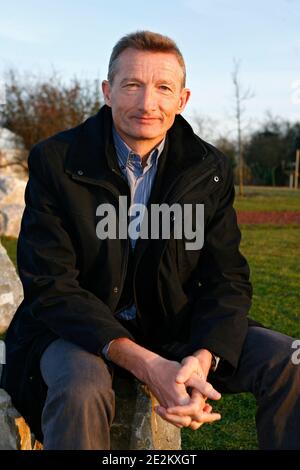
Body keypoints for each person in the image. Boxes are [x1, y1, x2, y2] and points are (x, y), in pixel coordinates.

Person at [0, 30, 299, 450]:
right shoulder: (57, 161)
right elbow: (51, 284)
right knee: (82, 388)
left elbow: (226, 278)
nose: (147, 104)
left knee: (292, 360)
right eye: (132, 86)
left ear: (183, 98)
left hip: (172, 326)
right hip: (74, 332)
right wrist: (146, 364)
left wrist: (202, 357)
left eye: (163, 88)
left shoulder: (208, 168)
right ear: (108, 91)